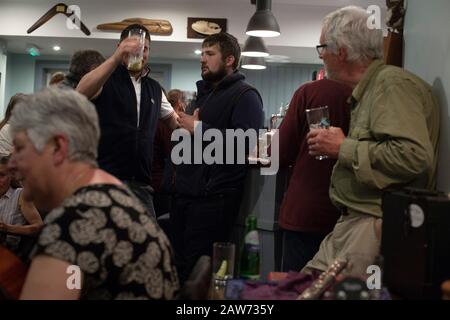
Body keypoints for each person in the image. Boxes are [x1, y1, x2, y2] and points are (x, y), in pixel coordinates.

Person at [303, 6, 440, 273]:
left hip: (370, 226)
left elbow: (414, 157)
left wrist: (342, 147)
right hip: (353, 223)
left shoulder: (391, 84)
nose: (321, 56)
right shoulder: (372, 89)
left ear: (340, 51)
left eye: (322, 48)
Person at [9, 88, 179, 300]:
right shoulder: (116, 196)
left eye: (20, 148)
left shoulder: (73, 224)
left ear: (57, 148)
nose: (12, 163)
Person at [173, 32, 263, 282]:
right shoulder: (203, 95)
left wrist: (198, 129)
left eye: (210, 54)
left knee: (198, 274)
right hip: (185, 196)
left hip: (213, 201)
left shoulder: (247, 96)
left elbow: (244, 144)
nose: (202, 59)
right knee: (178, 270)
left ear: (230, 60)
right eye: (201, 53)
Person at [77, 24, 179, 217]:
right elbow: (80, 93)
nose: (140, 52)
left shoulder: (155, 88)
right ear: (120, 47)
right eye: (133, 46)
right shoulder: (106, 78)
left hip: (141, 185)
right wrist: (116, 58)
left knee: (149, 244)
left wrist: (194, 125)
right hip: (105, 181)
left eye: (145, 48)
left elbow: (175, 123)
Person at [277, 79, 352, 272]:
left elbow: (278, 153)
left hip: (307, 210)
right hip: (350, 214)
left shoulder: (310, 92)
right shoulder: (369, 94)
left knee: (297, 287)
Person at [0, 154, 43, 254]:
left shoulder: (20, 195)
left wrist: (8, 228)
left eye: (1, 175)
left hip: (8, 253)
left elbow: (39, 227)